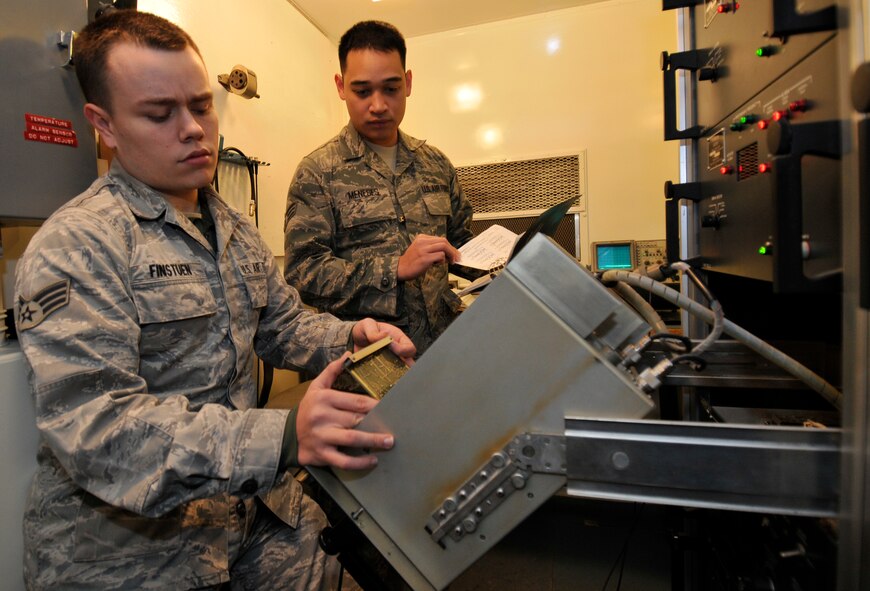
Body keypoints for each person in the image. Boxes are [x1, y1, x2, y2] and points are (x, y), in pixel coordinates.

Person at [14, 10, 415, 590]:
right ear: (103, 125)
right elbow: (98, 431)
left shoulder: (230, 225)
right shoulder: (77, 243)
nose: (195, 129)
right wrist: (282, 436)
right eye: (160, 113)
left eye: (201, 106)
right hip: (133, 550)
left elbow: (281, 322)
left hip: (250, 516)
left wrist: (352, 336)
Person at [284, 20, 475, 355]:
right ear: (341, 87)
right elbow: (303, 274)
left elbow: (459, 243)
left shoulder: (435, 163)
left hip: (444, 348)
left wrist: (506, 260)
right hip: (372, 358)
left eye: (390, 88)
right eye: (362, 91)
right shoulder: (318, 172)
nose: (378, 105)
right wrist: (393, 269)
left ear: (408, 83)